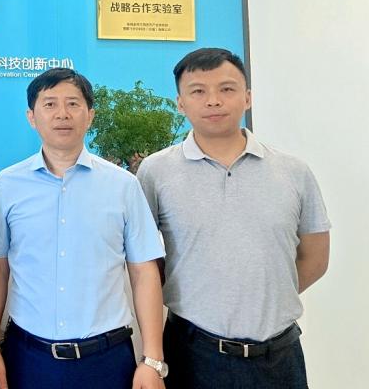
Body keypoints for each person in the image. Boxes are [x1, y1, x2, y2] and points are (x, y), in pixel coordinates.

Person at [136, 47, 331, 389]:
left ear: (248, 97)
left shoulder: (293, 172)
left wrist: (262, 295)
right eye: (198, 91)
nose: (213, 101)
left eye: (226, 89)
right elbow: (144, 263)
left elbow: (315, 257)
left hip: (279, 356)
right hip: (192, 352)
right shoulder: (155, 172)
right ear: (180, 103)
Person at [0, 68, 168, 389]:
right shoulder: (7, 185)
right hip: (28, 357)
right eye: (50, 104)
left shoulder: (123, 185)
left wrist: (152, 360)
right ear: (31, 117)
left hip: (106, 359)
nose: (62, 114)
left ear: (90, 115)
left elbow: (143, 272)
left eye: (73, 104)